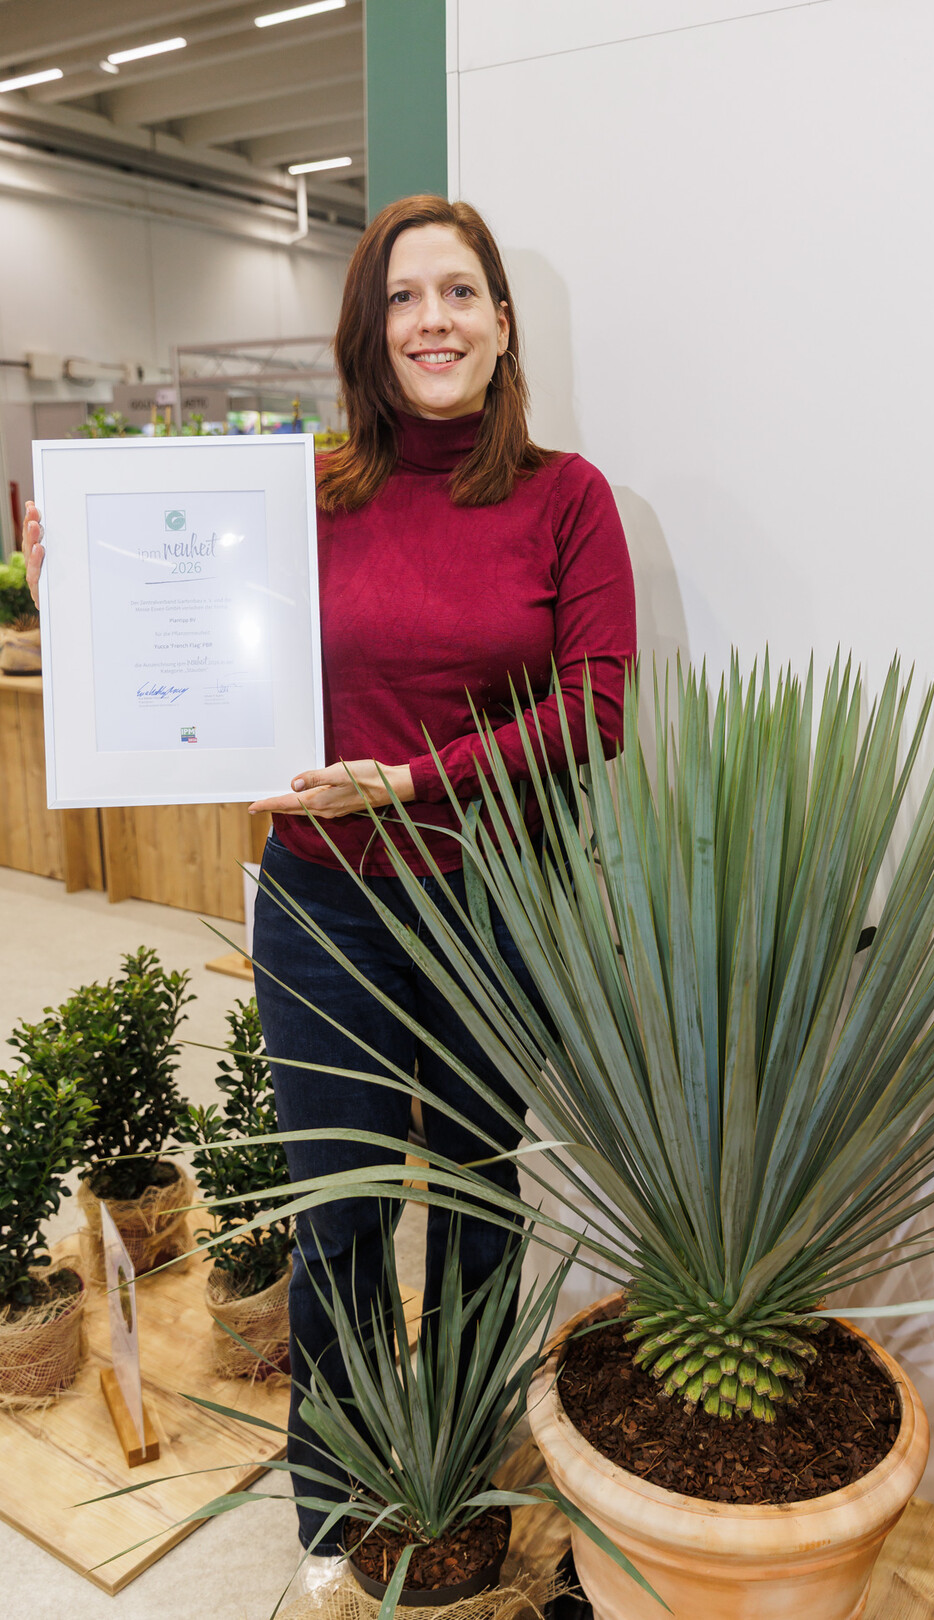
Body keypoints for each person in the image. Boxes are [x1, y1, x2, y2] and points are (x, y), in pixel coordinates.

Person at [23, 193, 636, 1586]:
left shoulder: (567, 497)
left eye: (460, 293)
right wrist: (87, 606)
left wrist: (411, 781)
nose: (434, 320)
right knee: (341, 1208)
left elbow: (597, 707)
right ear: (371, 332)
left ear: (501, 324)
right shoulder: (303, 494)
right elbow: (200, 639)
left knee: (475, 1202)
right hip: (326, 909)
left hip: (491, 910)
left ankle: (459, 1476)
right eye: (404, 297)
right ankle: (336, 1506)